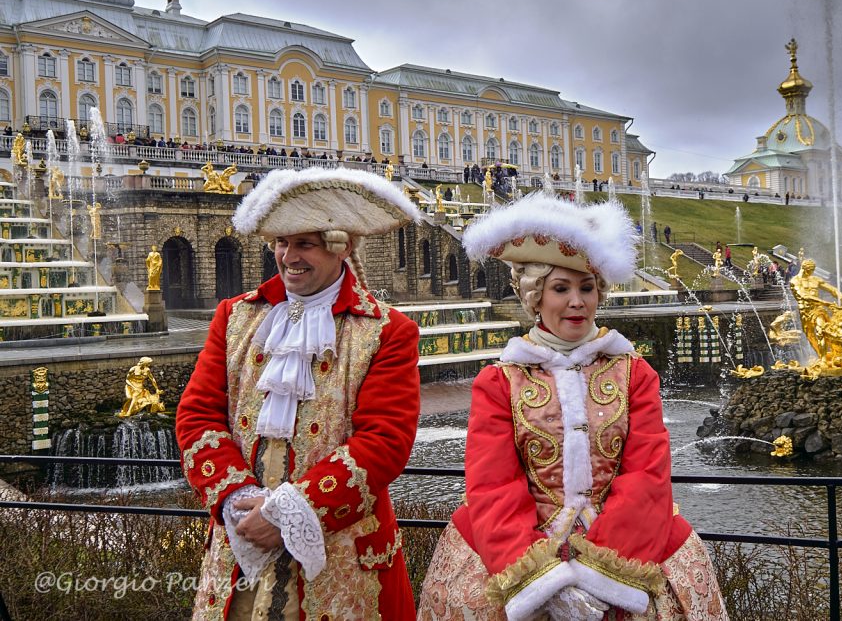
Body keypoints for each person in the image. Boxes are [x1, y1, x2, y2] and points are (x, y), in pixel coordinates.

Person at [418, 192, 727, 621]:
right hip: (522, 553)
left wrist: (605, 572)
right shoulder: (498, 383)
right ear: (535, 298)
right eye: (560, 289)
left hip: (627, 550)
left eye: (587, 287)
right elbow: (492, 486)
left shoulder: (635, 375)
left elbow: (646, 475)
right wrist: (539, 580)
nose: (577, 302)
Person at [176, 168, 423, 620]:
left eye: (304, 244)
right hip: (241, 539)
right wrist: (236, 498)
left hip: (343, 558)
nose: (288, 256)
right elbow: (198, 416)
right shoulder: (234, 317)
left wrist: (290, 513)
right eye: (281, 243)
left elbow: (385, 441)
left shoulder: (388, 332)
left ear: (341, 246)